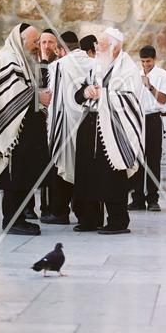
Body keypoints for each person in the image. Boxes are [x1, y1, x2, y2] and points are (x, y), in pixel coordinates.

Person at [0, 23, 51, 236]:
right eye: (34, 42)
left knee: (24, 176)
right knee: (14, 177)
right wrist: (37, 96)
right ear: (21, 42)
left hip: (24, 131)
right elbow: (10, 93)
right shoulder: (7, 58)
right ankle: (11, 221)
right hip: (13, 132)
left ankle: (19, 218)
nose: (37, 46)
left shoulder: (22, 59)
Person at [73, 27, 144, 234]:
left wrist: (103, 95)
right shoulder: (94, 68)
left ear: (114, 47)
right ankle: (89, 218)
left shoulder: (127, 69)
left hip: (115, 128)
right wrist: (86, 91)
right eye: (97, 44)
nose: (97, 47)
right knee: (87, 173)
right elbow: (78, 96)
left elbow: (131, 100)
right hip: (90, 125)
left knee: (112, 174)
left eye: (101, 44)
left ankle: (117, 221)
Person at [41, 31, 94, 225]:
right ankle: (83, 214)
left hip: (63, 126)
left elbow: (49, 94)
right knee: (84, 170)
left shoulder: (58, 66)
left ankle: (60, 212)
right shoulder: (92, 63)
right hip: (86, 125)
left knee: (61, 167)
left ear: (61, 49)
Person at [128, 45, 166, 212]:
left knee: (153, 160)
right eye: (143, 61)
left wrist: (150, 87)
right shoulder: (134, 76)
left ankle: (153, 199)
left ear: (154, 59)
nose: (145, 64)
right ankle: (137, 198)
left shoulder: (163, 76)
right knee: (137, 160)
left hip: (153, 119)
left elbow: (163, 100)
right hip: (138, 119)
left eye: (148, 61)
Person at [24, 29, 58, 219]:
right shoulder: (29, 64)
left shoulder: (60, 65)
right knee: (29, 166)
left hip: (52, 122)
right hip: (33, 122)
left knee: (50, 166)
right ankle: (28, 207)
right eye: (43, 42)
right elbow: (39, 86)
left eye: (50, 42)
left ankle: (48, 207)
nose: (46, 46)